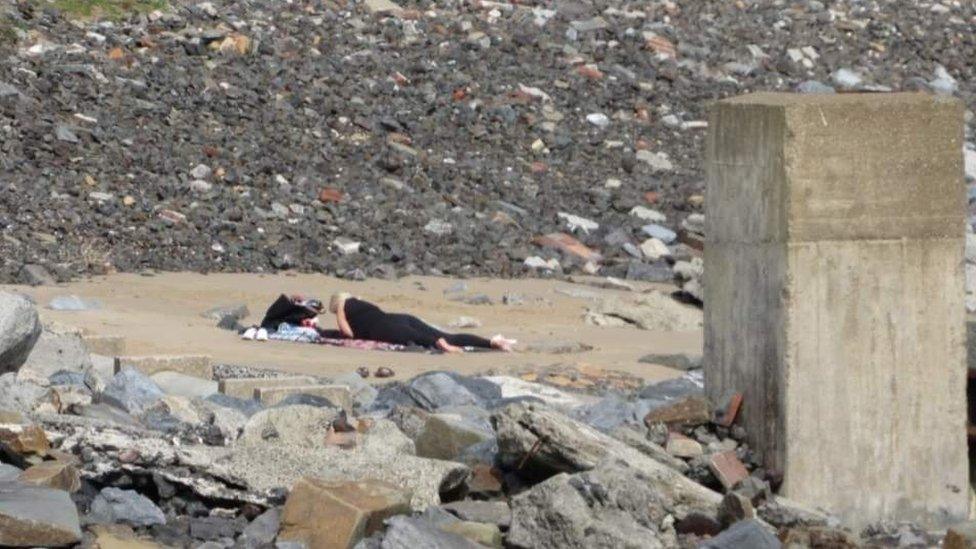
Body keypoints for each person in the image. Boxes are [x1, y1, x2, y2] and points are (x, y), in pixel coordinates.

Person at [329, 292, 516, 353]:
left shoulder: (344, 307)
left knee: (419, 338)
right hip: (397, 317)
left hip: (382, 327)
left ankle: (438, 345)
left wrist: (339, 312)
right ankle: (491, 343)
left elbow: (348, 334)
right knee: (449, 336)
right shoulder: (361, 304)